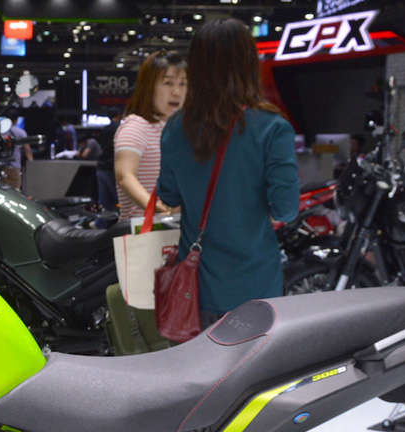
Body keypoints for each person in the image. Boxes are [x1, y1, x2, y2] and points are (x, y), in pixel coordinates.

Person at [156, 19, 299, 321]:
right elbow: (286, 209)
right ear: (249, 64)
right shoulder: (273, 127)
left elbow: (168, 194)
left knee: (195, 354)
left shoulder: (176, 126)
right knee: (256, 354)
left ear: (196, 66)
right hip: (256, 284)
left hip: (195, 289)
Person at [114, 50, 187, 223]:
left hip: (174, 228)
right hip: (143, 231)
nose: (177, 92)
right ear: (148, 87)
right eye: (168, 83)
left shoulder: (181, 130)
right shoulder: (137, 126)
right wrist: (158, 208)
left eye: (183, 83)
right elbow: (125, 176)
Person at [3, 120, 32, 190]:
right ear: (16, 120)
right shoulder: (20, 132)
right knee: (16, 189)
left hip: (1, 165)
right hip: (15, 164)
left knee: (4, 188)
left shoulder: (2, 131)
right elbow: (27, 149)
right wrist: (31, 163)